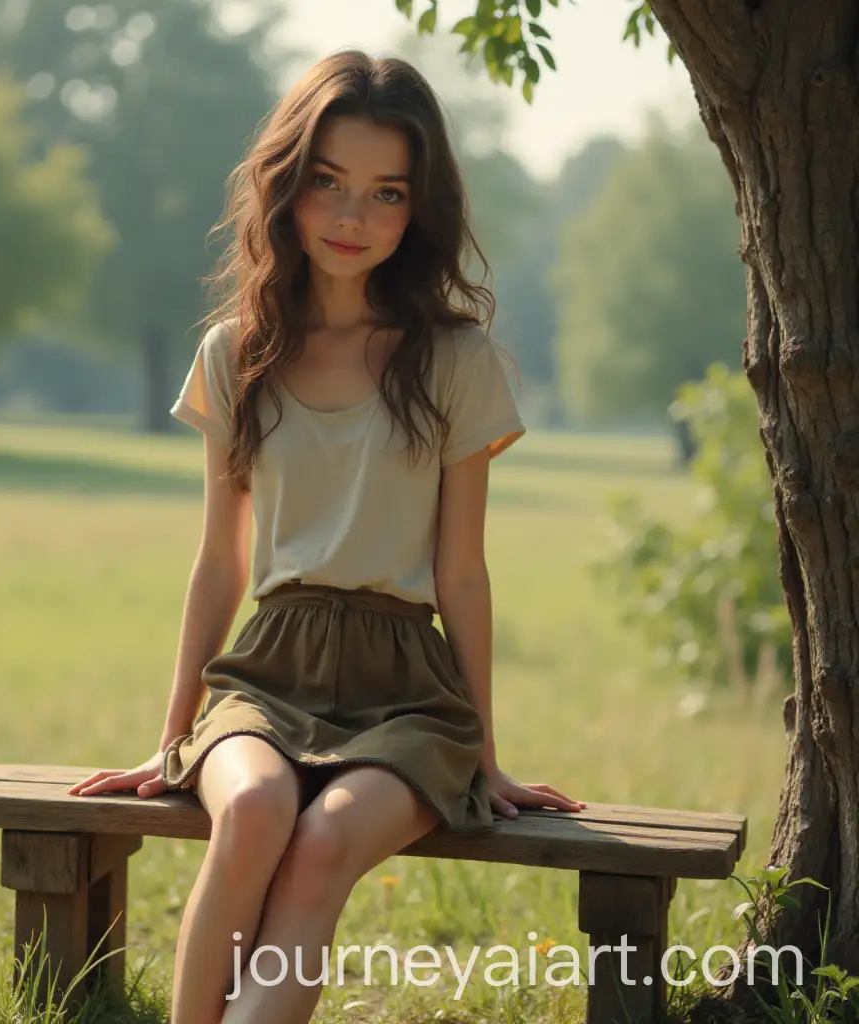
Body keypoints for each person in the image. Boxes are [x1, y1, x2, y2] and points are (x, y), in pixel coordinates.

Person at [68, 48, 586, 1024]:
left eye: (385, 193)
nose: (352, 218)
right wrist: (171, 735)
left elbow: (463, 571)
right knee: (258, 810)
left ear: (417, 207)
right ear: (287, 186)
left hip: (409, 691)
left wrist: (488, 751)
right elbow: (220, 559)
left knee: (320, 843)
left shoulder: (458, 362)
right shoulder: (236, 352)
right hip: (269, 669)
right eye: (327, 183)